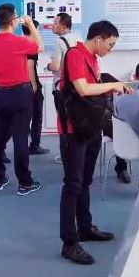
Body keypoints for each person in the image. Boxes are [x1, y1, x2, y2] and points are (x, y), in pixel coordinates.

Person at [57, 20, 131, 265]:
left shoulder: (92, 59)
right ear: (98, 38)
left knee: (85, 181)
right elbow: (82, 89)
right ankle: (69, 243)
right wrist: (114, 85)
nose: (110, 49)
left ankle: (85, 227)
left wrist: (109, 88)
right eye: (110, 44)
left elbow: (93, 90)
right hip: (73, 131)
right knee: (73, 184)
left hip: (90, 127)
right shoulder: (75, 55)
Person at [0, 4, 43, 196]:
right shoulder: (19, 42)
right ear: (13, 21)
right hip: (20, 94)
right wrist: (30, 25)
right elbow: (39, 46)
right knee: (20, 138)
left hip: (1, 95)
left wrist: (0, 67)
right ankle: (25, 183)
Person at [47, 13, 79, 164]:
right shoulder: (78, 38)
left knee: (63, 123)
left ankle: (65, 156)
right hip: (76, 86)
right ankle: (76, 154)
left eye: (55, 23)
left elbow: (55, 66)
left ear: (64, 26)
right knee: (75, 121)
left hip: (61, 88)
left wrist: (48, 66)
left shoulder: (59, 41)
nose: (52, 25)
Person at [21, 21, 49, 155]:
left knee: (22, 118)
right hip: (30, 85)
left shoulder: (20, 42)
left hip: (20, 85)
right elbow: (30, 66)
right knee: (37, 117)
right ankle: (34, 145)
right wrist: (34, 86)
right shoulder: (31, 44)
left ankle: (21, 146)